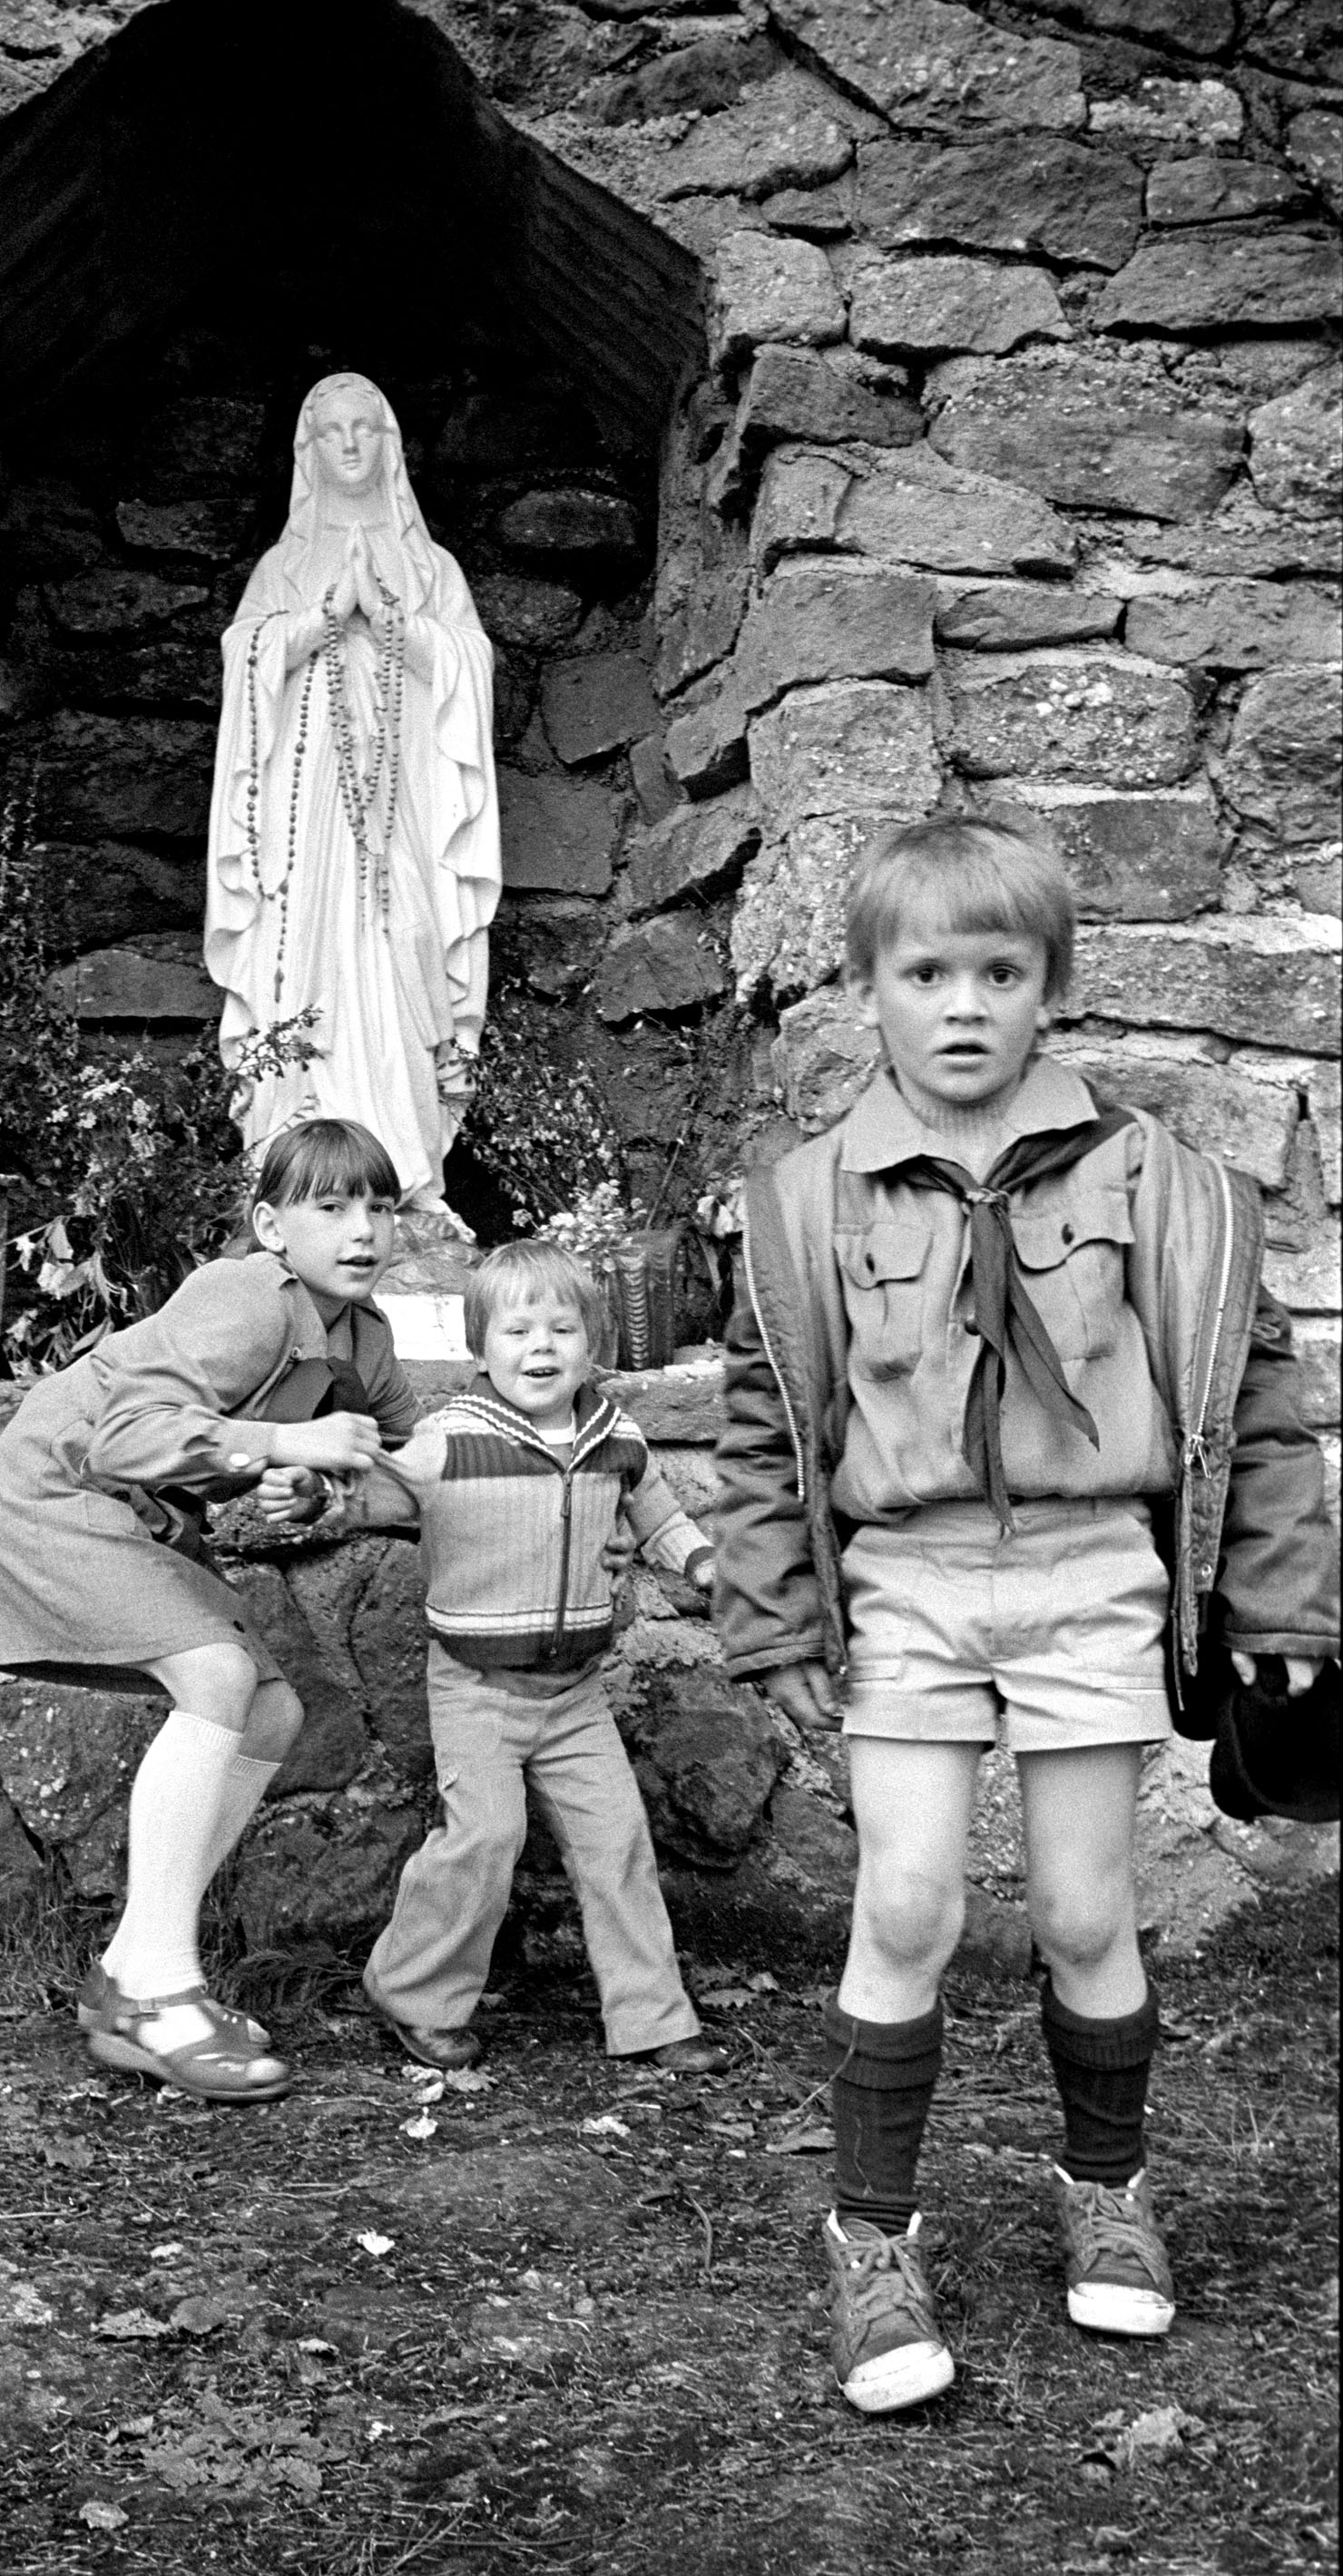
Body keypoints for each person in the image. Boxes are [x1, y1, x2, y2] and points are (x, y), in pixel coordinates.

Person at [712, 815, 1338, 2416]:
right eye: (928, 971)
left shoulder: (1155, 1179)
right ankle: (869, 2232)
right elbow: (762, 1419)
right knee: (907, 1904)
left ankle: (1108, 2188)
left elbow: (1250, 1396)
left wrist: (1285, 1593)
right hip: (910, 1584)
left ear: (1050, 985)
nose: (966, 1002)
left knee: (1081, 1911)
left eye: (1002, 969)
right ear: (870, 988)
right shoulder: (804, 1200)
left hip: (1090, 1580)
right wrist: (779, 1616)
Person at [0, 1119, 418, 2101]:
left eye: (380, 1207)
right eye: (329, 1207)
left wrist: (322, 1491)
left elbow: (400, 1465)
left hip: (143, 1519)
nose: (362, 1229)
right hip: (64, 1488)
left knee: (272, 1709)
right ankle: (163, 1990)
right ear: (270, 1226)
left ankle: (131, 1975)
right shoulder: (245, 1294)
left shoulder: (367, 1342)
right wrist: (289, 1445)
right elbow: (125, 1439)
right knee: (215, 1677)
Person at [271, 1239, 729, 2074]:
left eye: (562, 1330)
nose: (541, 1348)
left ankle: (654, 2017)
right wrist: (315, 1495)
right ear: (480, 1349)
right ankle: (412, 1992)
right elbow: (375, 1492)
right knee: (484, 1838)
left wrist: (703, 1563)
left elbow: (658, 1517)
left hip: (577, 1694)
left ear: (595, 1344)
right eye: (517, 1332)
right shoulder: (452, 1439)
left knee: (618, 1841)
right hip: (477, 1689)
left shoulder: (615, 1438)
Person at [205, 372, 501, 1218]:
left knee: (408, 936)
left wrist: (395, 623)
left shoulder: (430, 564)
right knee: (306, 956)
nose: (348, 445)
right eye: (331, 430)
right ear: (309, 449)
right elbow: (245, 657)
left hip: (404, 804)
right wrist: (322, 616)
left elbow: (471, 666)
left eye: (365, 428)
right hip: (304, 817)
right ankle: (301, 1172)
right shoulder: (285, 564)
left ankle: (408, 1169)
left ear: (390, 443)